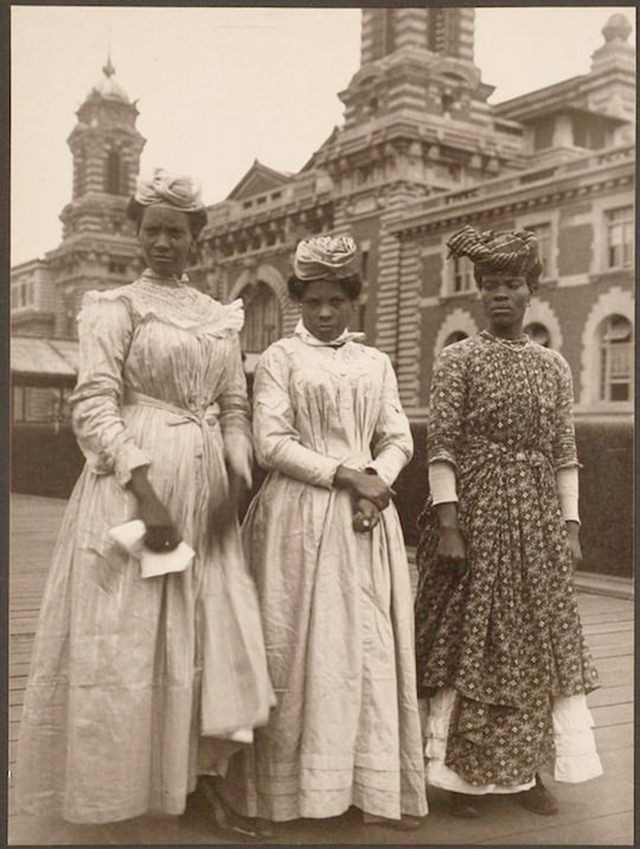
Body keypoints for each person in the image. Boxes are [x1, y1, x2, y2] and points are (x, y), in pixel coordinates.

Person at [15, 169, 274, 831]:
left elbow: (235, 405)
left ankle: (199, 777)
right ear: (138, 233)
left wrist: (237, 471)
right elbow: (95, 405)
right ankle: (117, 783)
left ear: (196, 237)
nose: (162, 241)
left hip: (205, 488)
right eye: (152, 229)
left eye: (176, 231)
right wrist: (143, 487)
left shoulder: (220, 317)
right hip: (135, 490)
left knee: (207, 636)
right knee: (129, 636)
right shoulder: (115, 305)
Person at [221, 235, 428, 833]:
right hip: (299, 516)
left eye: (337, 300)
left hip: (366, 520)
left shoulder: (375, 362)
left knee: (365, 648)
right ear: (298, 301)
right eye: (314, 301)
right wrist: (345, 477)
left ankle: (368, 787)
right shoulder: (281, 358)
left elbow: (397, 438)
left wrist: (376, 482)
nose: (326, 312)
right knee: (300, 647)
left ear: (353, 301)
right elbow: (271, 443)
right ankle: (290, 795)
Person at [414, 225, 602, 819]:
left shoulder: (552, 366)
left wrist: (569, 526)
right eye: (491, 285)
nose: (501, 295)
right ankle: (453, 775)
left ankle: (527, 773)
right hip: (475, 511)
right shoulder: (458, 358)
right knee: (471, 638)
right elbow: (441, 444)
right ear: (478, 292)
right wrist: (449, 525)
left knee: (534, 641)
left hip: (536, 519)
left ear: (530, 291)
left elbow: (564, 449)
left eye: (513, 284)